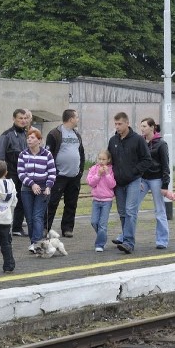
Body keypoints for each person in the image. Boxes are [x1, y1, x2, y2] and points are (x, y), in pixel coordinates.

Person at [108, 112, 151, 254]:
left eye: (120, 124)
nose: (117, 127)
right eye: (115, 124)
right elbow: (109, 160)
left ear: (127, 123)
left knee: (131, 211)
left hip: (133, 181)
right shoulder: (113, 140)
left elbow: (146, 159)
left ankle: (129, 243)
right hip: (118, 184)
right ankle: (125, 237)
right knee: (122, 213)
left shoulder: (138, 140)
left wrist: (135, 172)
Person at [45, 109, 85, 238]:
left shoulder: (76, 134)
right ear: (71, 119)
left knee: (71, 203)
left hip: (74, 176)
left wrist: (80, 170)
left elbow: (81, 153)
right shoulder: (55, 133)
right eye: (76, 117)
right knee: (52, 203)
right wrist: (53, 172)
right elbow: (48, 154)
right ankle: (45, 228)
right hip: (59, 176)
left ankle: (67, 228)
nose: (78, 120)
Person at [18, 128, 56, 254]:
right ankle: (34, 243)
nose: (29, 139)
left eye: (33, 137)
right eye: (28, 137)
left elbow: (52, 172)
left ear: (39, 140)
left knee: (37, 216)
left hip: (43, 189)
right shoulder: (23, 154)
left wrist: (49, 186)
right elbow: (21, 173)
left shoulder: (47, 154)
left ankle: (37, 243)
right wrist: (32, 184)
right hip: (27, 189)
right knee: (29, 218)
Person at [0, 109, 30, 236]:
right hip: (11, 174)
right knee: (8, 201)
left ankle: (17, 227)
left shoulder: (27, 134)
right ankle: (3, 228)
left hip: (24, 174)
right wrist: (2, 176)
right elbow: (0, 156)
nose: (23, 121)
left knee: (22, 200)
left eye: (25, 118)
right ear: (14, 119)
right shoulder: (7, 135)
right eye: (20, 118)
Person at [139, 118, 170, 249]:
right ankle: (125, 236)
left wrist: (165, 185)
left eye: (144, 126)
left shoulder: (161, 144)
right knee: (131, 207)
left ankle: (162, 240)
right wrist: (138, 179)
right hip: (142, 180)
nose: (142, 129)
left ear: (152, 127)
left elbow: (165, 165)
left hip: (156, 179)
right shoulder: (141, 142)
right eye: (141, 126)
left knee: (159, 210)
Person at [87, 150, 116, 252]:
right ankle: (103, 236)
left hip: (107, 201)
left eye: (104, 159)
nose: (101, 161)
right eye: (100, 159)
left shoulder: (111, 170)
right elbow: (90, 183)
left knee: (102, 224)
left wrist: (107, 174)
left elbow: (112, 185)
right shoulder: (94, 169)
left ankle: (100, 244)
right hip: (96, 200)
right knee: (94, 222)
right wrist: (98, 175)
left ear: (108, 160)